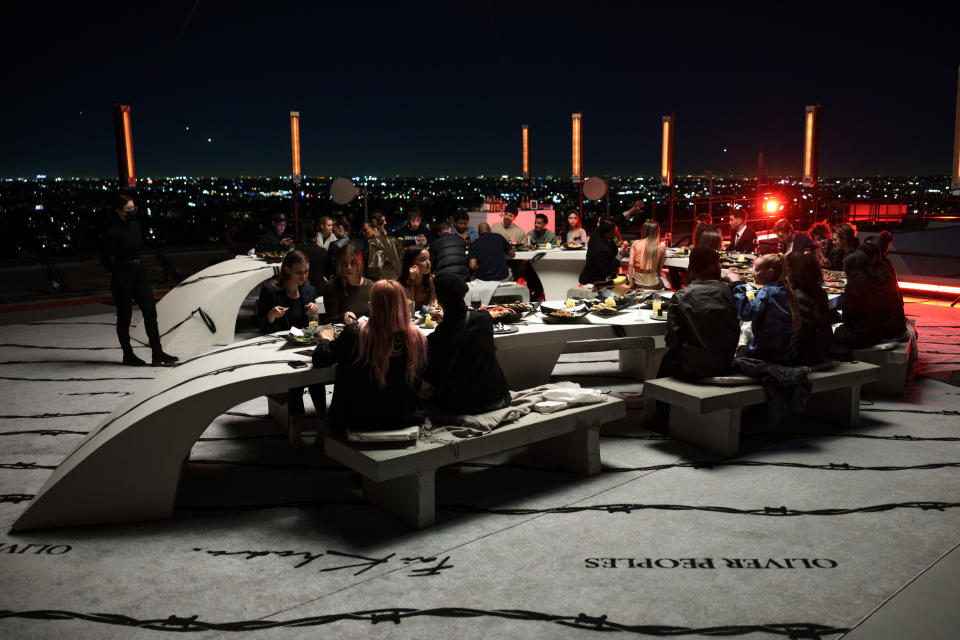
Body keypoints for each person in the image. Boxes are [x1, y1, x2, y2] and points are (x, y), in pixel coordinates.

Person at [312, 279, 427, 433]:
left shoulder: (355, 334)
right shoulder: (417, 339)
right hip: (403, 418)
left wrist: (325, 341)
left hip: (359, 419)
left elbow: (320, 359)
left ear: (374, 305)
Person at [100, 193, 178, 367]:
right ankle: (128, 354)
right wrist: (117, 269)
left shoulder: (135, 225)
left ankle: (157, 353)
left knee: (151, 312)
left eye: (133, 207)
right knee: (125, 316)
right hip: (123, 275)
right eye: (128, 209)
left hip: (140, 272)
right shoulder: (111, 231)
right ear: (118, 211)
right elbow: (105, 258)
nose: (132, 211)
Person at [256, 250, 324, 433]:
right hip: (280, 348)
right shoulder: (270, 291)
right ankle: (296, 425)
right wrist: (271, 316)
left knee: (316, 371)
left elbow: (313, 327)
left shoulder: (309, 290)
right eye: (299, 272)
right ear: (287, 269)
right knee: (297, 377)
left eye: (306, 271)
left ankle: (321, 420)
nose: (304, 276)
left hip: (302, 345)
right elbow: (262, 329)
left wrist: (315, 315)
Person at [423, 274, 512, 414]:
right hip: (496, 399)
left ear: (439, 300)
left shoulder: (437, 337)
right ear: (464, 294)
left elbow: (431, 376)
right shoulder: (484, 319)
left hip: (459, 406)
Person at [659, 246, 739, 378]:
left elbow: (672, 340)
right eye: (718, 263)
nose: (720, 267)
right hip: (725, 362)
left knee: (666, 358)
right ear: (713, 266)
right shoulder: (729, 292)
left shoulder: (681, 296)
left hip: (693, 365)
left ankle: (660, 397)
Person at [729, 253, 801, 365]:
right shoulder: (786, 289)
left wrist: (737, 283)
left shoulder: (767, 292)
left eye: (757, 270)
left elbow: (746, 314)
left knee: (737, 353)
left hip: (768, 355)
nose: (753, 273)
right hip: (788, 353)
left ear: (770, 273)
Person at [834, 246, 905, 349]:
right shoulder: (875, 277)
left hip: (863, 335)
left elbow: (848, 318)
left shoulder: (854, 284)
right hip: (879, 330)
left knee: (835, 331)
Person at [785, 251, 833, 365]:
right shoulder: (820, 291)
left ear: (792, 270)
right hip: (823, 347)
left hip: (806, 353)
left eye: (787, 267)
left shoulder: (794, 295)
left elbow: (799, 333)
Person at [324, 243, 373, 324]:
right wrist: (344, 316)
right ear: (339, 264)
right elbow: (330, 320)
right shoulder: (332, 286)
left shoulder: (370, 286)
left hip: (366, 333)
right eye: (344, 263)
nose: (348, 267)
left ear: (360, 264)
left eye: (353, 262)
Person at [579, 221, 621, 285]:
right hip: (594, 281)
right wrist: (620, 256)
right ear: (607, 234)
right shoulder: (601, 249)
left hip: (596, 274)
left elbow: (612, 221)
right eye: (614, 231)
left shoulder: (597, 233)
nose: (616, 232)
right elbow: (606, 270)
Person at [628, 220, 666, 290]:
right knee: (666, 280)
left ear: (644, 230)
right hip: (653, 286)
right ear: (657, 232)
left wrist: (630, 283)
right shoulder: (662, 248)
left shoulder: (635, 243)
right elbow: (659, 270)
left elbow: (630, 265)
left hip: (637, 285)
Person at [297, 220, 328, 293]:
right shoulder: (322, 251)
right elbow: (327, 272)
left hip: (302, 288)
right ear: (317, 235)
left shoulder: (299, 250)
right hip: (320, 289)